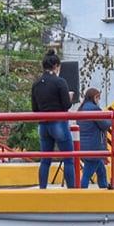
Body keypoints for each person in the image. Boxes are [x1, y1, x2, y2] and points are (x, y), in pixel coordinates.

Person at [31, 52, 77, 189]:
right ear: (56, 66)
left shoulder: (36, 84)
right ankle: (71, 190)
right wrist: (69, 97)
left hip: (43, 124)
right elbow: (66, 105)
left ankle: (42, 189)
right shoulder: (60, 82)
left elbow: (34, 108)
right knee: (69, 158)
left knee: (45, 160)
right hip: (59, 122)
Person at [76, 87, 111, 189]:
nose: (98, 101)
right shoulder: (95, 109)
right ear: (95, 97)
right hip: (94, 146)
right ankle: (81, 191)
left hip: (83, 145)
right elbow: (104, 125)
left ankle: (104, 187)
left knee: (101, 170)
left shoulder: (81, 109)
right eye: (98, 98)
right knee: (87, 172)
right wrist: (110, 120)